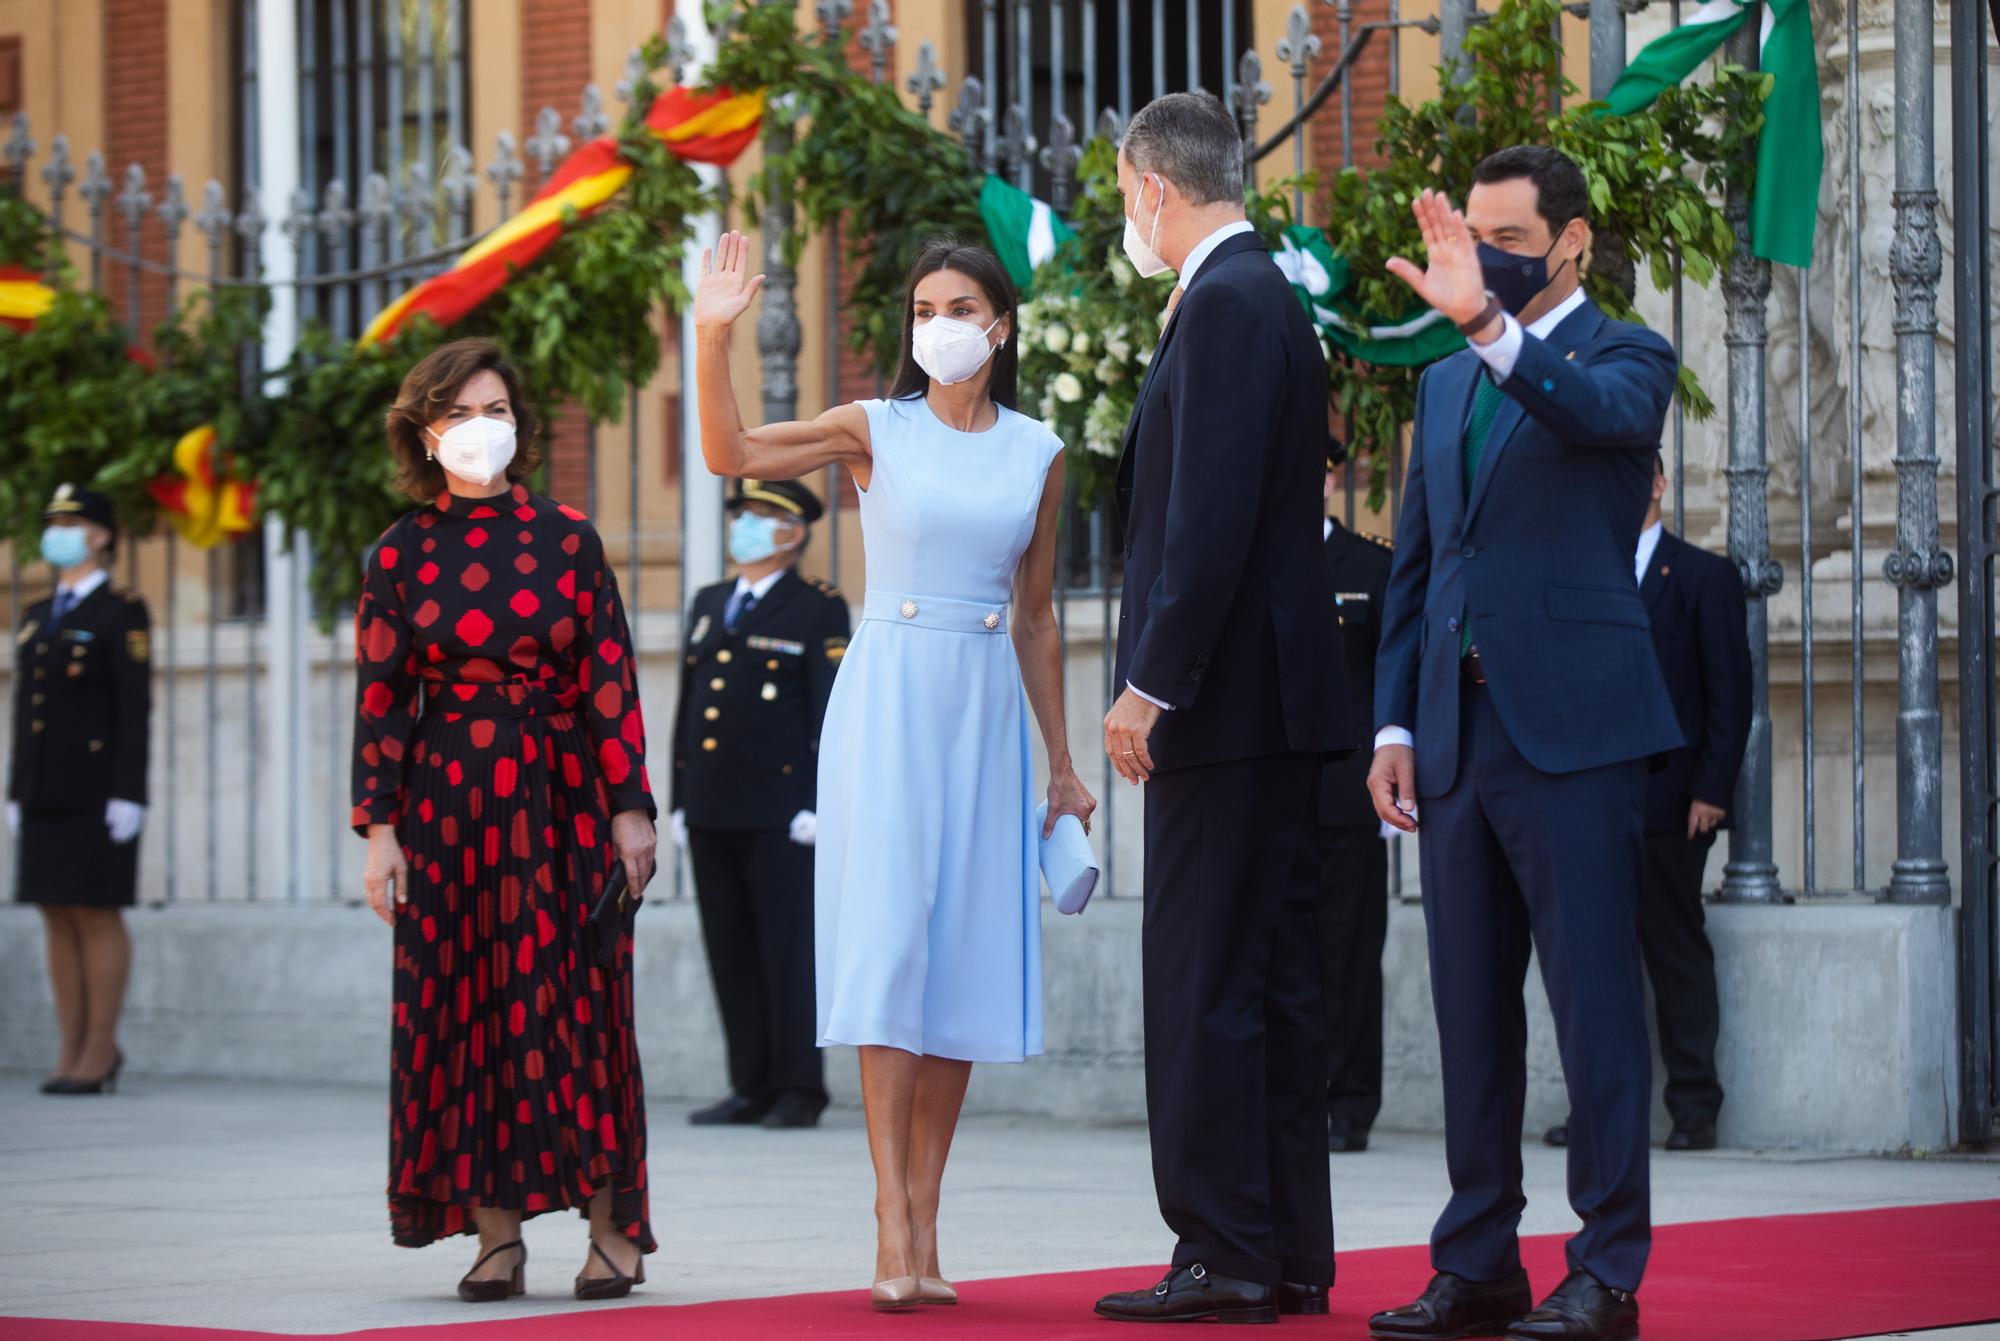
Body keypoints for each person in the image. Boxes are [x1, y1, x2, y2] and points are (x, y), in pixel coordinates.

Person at [693, 231, 1095, 1311]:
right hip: (887, 697)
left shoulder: (1038, 450)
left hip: (984, 709)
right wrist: (712, 331)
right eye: (921, 311)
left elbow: (1037, 615)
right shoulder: (875, 429)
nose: (938, 327)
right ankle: (888, 1216)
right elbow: (729, 455)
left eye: (958, 307)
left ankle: (929, 1211)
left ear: (999, 325)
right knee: (889, 945)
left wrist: (1061, 762)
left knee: (960, 952)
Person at [1365, 146, 1681, 1341]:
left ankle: (1603, 1272)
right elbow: (1419, 564)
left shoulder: (1624, 355)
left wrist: (1491, 321)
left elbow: (1593, 415)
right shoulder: (1443, 384)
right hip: (1454, 737)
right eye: (1473, 233)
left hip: (1576, 736)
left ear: (1570, 242)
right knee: (1469, 1014)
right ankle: (1477, 1261)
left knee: (1594, 1008)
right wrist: (1392, 720)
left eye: (1506, 235)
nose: (1484, 252)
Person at [1093, 91, 1352, 1326]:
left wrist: (1149, 683)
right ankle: (1281, 1248)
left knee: (1205, 982)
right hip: (1266, 707)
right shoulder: (1254, 295)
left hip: (1222, 709)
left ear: (1152, 185)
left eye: (1121, 194)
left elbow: (1202, 521)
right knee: (1270, 983)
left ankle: (1223, 1249)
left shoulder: (1231, 302)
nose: (1123, 215)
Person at [351, 337, 660, 1305]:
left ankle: (611, 1228)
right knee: (464, 1009)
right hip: (447, 810)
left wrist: (629, 810)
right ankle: (494, 1237)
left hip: (560, 799)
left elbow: (608, 678)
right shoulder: (397, 554)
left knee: (578, 1002)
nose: (478, 430)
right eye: (457, 414)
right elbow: (382, 697)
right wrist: (379, 832)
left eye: (494, 411)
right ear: (423, 431)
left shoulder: (567, 538)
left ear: (518, 425)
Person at [1546, 453, 1750, 1155]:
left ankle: (1694, 1105)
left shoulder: (1702, 575)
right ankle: (1599, 1112)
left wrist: (1712, 790)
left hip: (1672, 806)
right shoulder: (1579, 575)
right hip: (1590, 804)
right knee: (1594, 964)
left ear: (1660, 483)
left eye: (1640, 475)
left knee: (1674, 953)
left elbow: (1729, 695)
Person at [672, 477, 850, 1131]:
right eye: (741, 514)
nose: (744, 525)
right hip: (714, 806)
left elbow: (829, 710)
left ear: (793, 532)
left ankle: (799, 1088)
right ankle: (748, 1083)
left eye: (759, 516)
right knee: (731, 950)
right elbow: (690, 708)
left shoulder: (816, 607)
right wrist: (680, 796)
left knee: (786, 952)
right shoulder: (710, 600)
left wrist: (818, 802)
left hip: (784, 815)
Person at [8, 484, 149, 1097]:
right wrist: (16, 789)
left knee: (96, 912)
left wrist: (130, 792)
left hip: (98, 789)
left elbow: (134, 708)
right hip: (43, 787)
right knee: (55, 913)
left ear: (101, 534)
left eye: (70, 521)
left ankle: (99, 1049)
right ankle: (69, 1046)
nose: (58, 531)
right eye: (53, 520)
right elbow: (23, 711)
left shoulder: (122, 609)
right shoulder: (38, 615)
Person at [1315, 442, 1395, 1155]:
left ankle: (1351, 1103)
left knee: (1349, 955)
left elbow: (1393, 676)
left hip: (1349, 797)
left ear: (1332, 476)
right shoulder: (1253, 565)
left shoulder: (1372, 565)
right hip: (1275, 796)